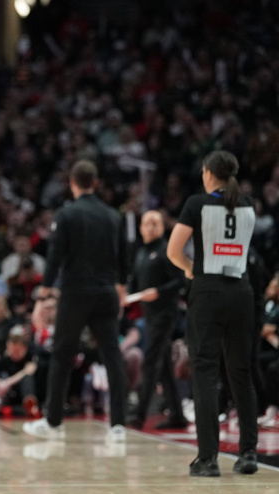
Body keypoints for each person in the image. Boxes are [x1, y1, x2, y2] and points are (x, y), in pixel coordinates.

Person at [166, 150, 259, 476]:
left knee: (204, 372)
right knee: (241, 372)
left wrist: (191, 269)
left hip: (208, 292)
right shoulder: (248, 204)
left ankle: (208, 459)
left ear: (208, 173)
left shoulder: (197, 204)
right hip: (242, 293)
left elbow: (173, 251)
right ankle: (248, 453)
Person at [23, 160, 129, 443]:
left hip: (75, 294)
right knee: (112, 356)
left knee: (62, 355)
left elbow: (55, 256)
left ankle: (53, 421)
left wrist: (44, 292)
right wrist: (121, 288)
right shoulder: (112, 216)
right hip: (106, 292)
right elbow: (124, 257)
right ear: (95, 183)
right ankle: (118, 425)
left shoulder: (67, 213)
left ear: (72, 183)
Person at [126, 210, 187, 430]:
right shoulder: (141, 252)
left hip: (165, 314)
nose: (150, 227)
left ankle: (138, 415)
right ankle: (178, 414)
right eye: (146, 223)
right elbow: (135, 281)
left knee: (151, 360)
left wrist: (158, 292)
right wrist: (125, 295)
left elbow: (179, 282)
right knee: (164, 368)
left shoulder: (166, 251)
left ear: (162, 227)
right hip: (149, 315)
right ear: (140, 228)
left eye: (155, 223)